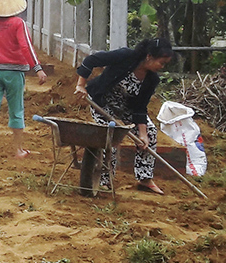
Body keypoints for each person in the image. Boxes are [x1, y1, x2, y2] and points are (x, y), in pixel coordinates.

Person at [73, 38, 174, 195]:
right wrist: (81, 85)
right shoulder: (125, 56)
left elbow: (140, 107)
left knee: (151, 133)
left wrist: (142, 134)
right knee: (109, 137)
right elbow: (91, 60)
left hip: (126, 109)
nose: (162, 67)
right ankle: (104, 181)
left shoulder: (152, 79)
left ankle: (145, 178)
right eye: (161, 62)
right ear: (149, 56)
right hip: (102, 104)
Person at [0, 0, 47, 161]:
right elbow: (26, 46)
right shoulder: (18, 23)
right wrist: (37, 68)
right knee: (16, 109)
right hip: (14, 72)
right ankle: (18, 150)